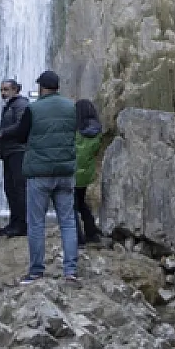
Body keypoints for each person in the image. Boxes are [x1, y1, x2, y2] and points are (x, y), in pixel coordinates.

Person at [0, 69, 79, 284]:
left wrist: (2, 136)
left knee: (36, 223)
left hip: (39, 172)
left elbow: (22, 134)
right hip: (65, 172)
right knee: (68, 222)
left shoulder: (33, 109)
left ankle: (36, 271)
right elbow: (75, 132)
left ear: (42, 88)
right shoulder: (71, 106)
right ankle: (70, 271)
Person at [0, 78, 30, 238]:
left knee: (19, 189)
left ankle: (22, 224)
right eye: (1, 90)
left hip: (19, 152)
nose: (3, 93)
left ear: (15, 90)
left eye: (6, 90)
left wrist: (1, 134)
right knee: (10, 189)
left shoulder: (21, 105)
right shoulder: (10, 106)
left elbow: (21, 126)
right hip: (9, 152)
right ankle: (14, 222)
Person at [73, 98, 103, 246]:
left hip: (72, 173)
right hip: (86, 175)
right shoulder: (97, 130)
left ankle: (78, 238)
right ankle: (91, 232)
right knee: (80, 203)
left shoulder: (75, 130)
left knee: (71, 206)